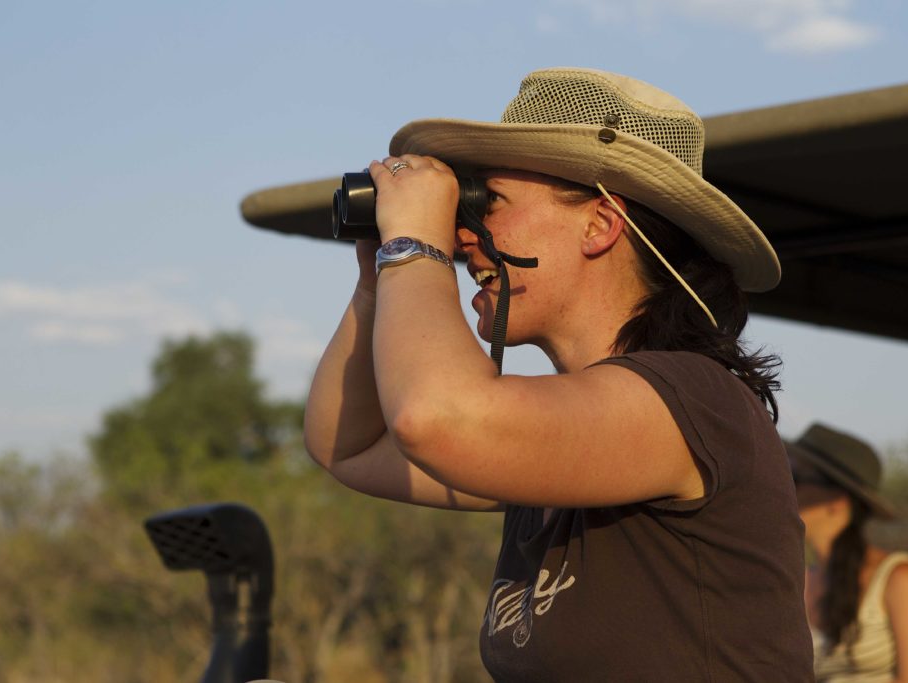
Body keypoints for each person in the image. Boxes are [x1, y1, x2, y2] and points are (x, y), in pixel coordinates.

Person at [304, 67, 813, 681]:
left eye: (488, 202)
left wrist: (416, 245)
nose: (465, 237)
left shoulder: (692, 402)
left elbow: (433, 420)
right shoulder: (566, 444)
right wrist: (376, 278)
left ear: (600, 225)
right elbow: (349, 446)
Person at [786, 423, 908, 682]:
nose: (782, 488)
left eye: (794, 478)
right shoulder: (798, 582)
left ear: (835, 501)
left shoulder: (900, 578)